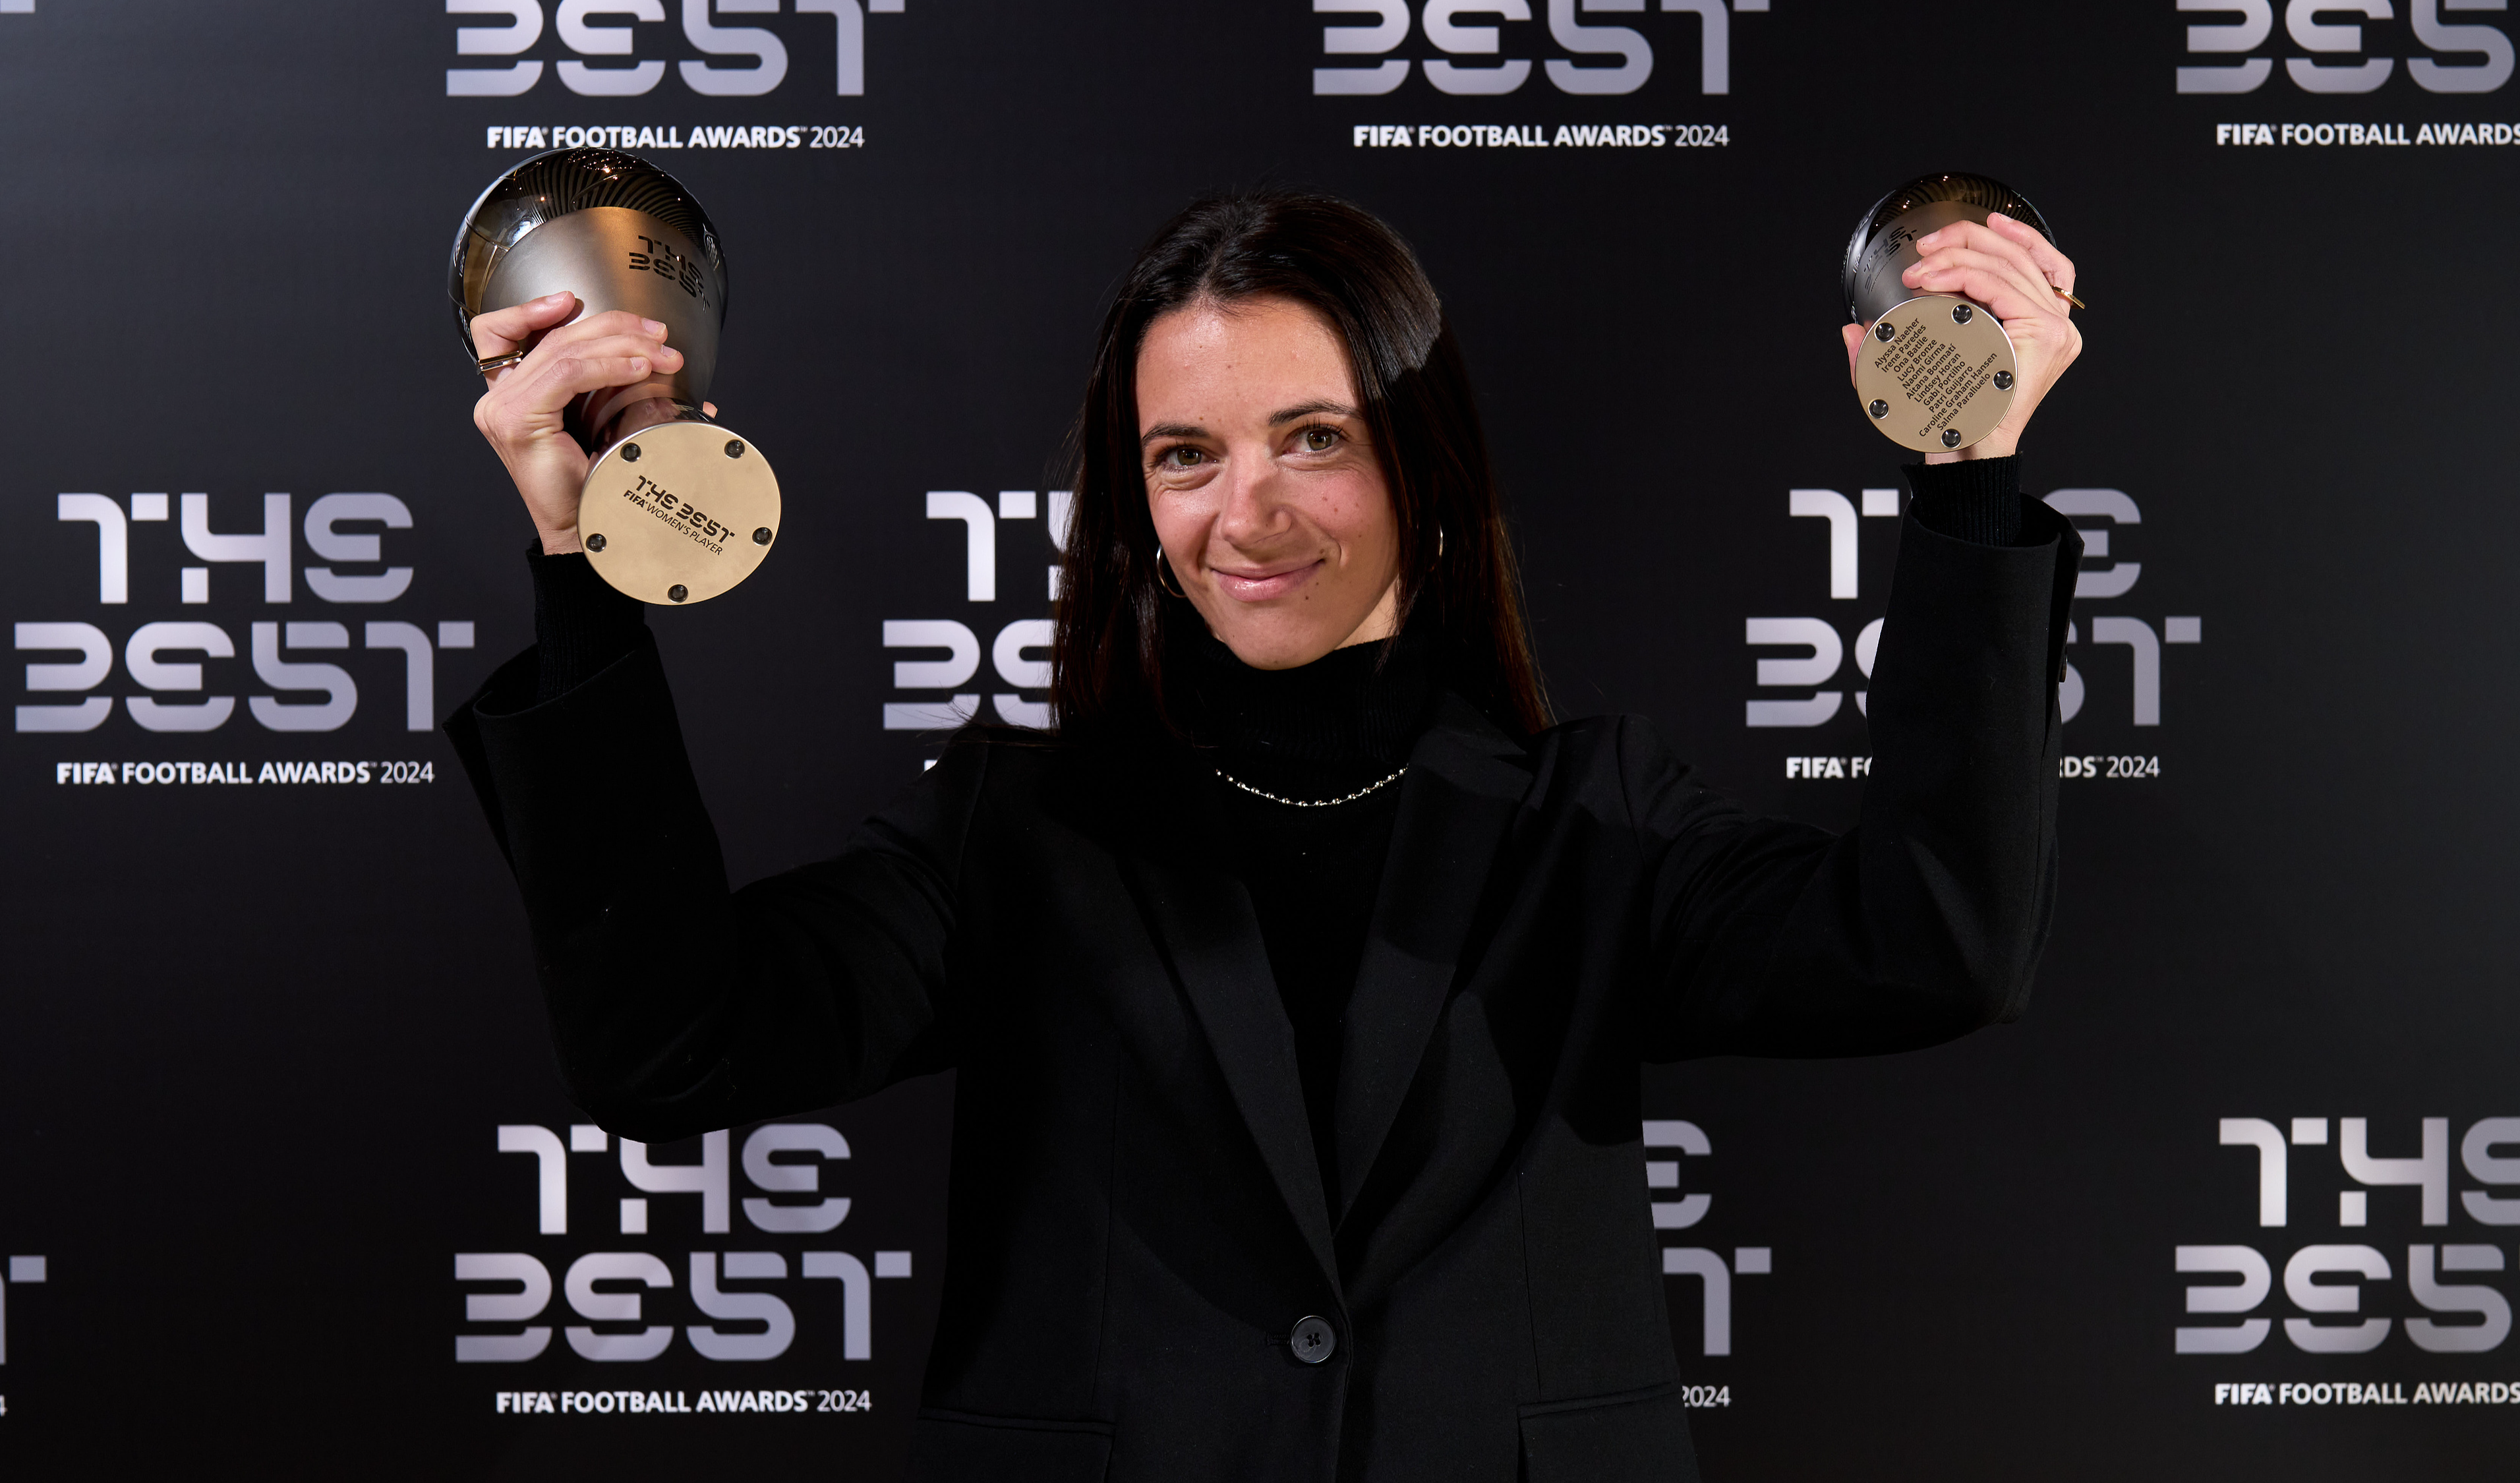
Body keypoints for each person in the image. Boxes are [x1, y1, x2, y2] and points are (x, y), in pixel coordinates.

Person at [447, 189, 2083, 1482]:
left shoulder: (1591, 822)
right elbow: (668, 1048)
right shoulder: (1016, 829)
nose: (1249, 513)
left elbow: (1932, 943)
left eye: (1314, 437)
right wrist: (579, 574)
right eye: (1184, 457)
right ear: (1135, 505)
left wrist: (1967, 476)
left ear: (1421, 465)